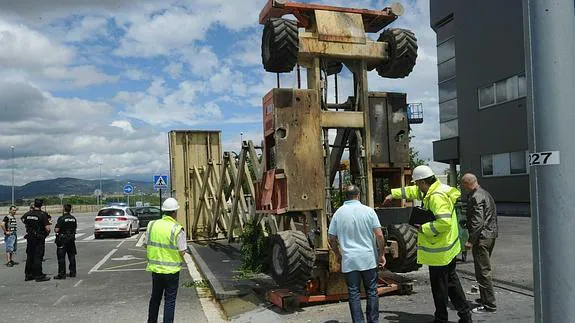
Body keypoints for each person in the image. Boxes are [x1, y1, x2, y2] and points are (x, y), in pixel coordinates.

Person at [384, 165, 472, 323]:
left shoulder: (436, 197)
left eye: (418, 183)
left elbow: (443, 223)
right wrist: (393, 194)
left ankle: (441, 319)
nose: (417, 186)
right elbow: (412, 191)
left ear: (423, 182)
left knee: (440, 288)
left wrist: (423, 228)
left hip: (439, 251)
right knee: (451, 283)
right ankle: (465, 316)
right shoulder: (435, 189)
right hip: (448, 248)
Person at [328, 185, 386, 323]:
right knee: (372, 291)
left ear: (345, 196)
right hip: (368, 259)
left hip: (349, 260)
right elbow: (379, 235)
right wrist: (382, 253)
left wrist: (337, 254)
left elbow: (331, 238)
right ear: (358, 195)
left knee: (353, 293)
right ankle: (373, 321)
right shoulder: (369, 211)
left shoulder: (338, 213)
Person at [145, 198, 187, 323]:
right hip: (172, 271)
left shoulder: (152, 225)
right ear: (174, 213)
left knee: (155, 298)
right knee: (169, 301)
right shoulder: (177, 229)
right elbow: (182, 251)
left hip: (156, 270)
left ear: (163, 211)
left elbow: (146, 244)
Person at [461, 173, 498, 314]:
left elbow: (478, 221)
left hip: (482, 238)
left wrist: (471, 240)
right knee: (484, 270)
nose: (464, 189)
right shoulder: (485, 194)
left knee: (482, 272)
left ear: (467, 183)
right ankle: (485, 298)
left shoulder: (476, 197)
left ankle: (489, 304)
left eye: (463, 185)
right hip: (490, 235)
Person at [22, 199, 51, 282]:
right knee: (38, 256)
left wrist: (29, 225)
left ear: (34, 205)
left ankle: (28, 275)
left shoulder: (28, 214)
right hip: (39, 238)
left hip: (30, 237)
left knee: (30, 256)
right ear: (41, 205)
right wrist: (46, 234)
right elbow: (47, 228)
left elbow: (23, 219)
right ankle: (38, 275)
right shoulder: (42, 215)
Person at [54, 204, 77, 279]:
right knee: (72, 256)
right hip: (71, 239)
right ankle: (73, 272)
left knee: (61, 257)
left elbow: (57, 229)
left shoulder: (61, 218)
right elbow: (75, 228)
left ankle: (62, 274)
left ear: (64, 209)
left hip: (63, 239)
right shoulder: (73, 218)